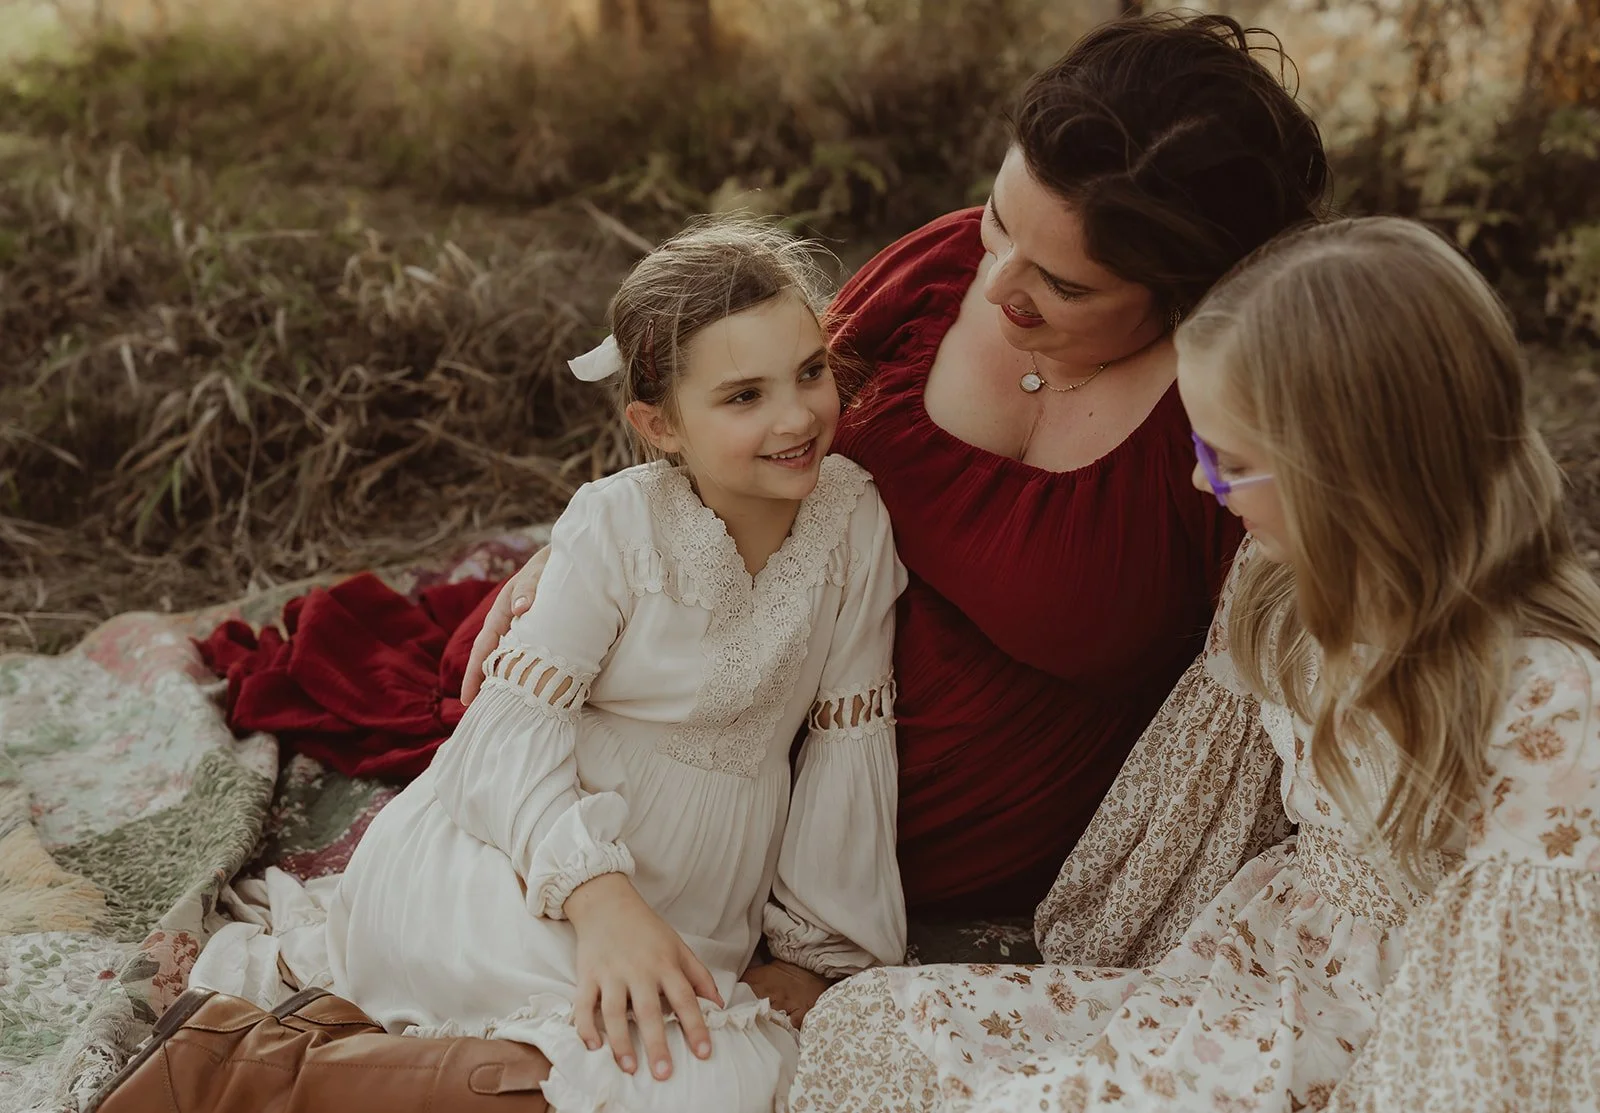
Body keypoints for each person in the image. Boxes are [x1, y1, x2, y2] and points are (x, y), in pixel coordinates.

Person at [465, 12, 1330, 918]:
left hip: (905, 850)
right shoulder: (941, 267)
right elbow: (753, 417)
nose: (996, 286)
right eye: (1001, 224)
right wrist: (599, 543)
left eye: (1064, 285)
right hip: (698, 716)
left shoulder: (1229, 421)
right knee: (504, 791)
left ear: (1186, 287)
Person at [788, 216, 1600, 1112]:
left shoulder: (1544, 702)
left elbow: (1510, 1038)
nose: (1202, 483)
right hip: (1252, 974)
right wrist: (1113, 958)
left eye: (1234, 461)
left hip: (1392, 1038)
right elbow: (1202, 796)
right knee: (868, 1027)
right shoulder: (1285, 584)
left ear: (1358, 472)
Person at [104, 216, 908, 1113]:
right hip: (518, 866)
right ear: (660, 425)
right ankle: (249, 1075)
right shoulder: (616, 528)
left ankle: (279, 1074)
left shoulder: (853, 520)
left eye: (808, 371)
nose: (797, 416)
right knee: (679, 1079)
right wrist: (600, 902)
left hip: (694, 902)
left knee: (752, 1074)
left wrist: (816, 950)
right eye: (743, 396)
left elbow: (849, 738)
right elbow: (498, 740)